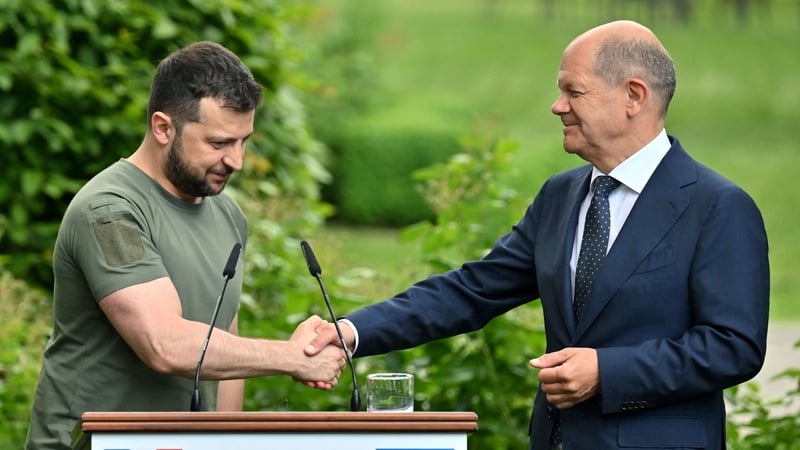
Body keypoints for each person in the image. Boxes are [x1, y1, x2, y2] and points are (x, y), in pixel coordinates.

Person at [307, 20, 770, 450]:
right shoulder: (560, 195)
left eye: (574, 91)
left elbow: (734, 346)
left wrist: (608, 372)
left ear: (633, 96)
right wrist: (351, 332)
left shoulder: (717, 206)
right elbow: (472, 290)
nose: (557, 106)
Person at [25, 41, 346, 450]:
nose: (237, 161)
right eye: (218, 144)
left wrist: (224, 443)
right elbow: (164, 344)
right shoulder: (108, 212)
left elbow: (225, 348)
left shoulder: (227, 216)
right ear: (163, 128)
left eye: (243, 141)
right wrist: (291, 356)